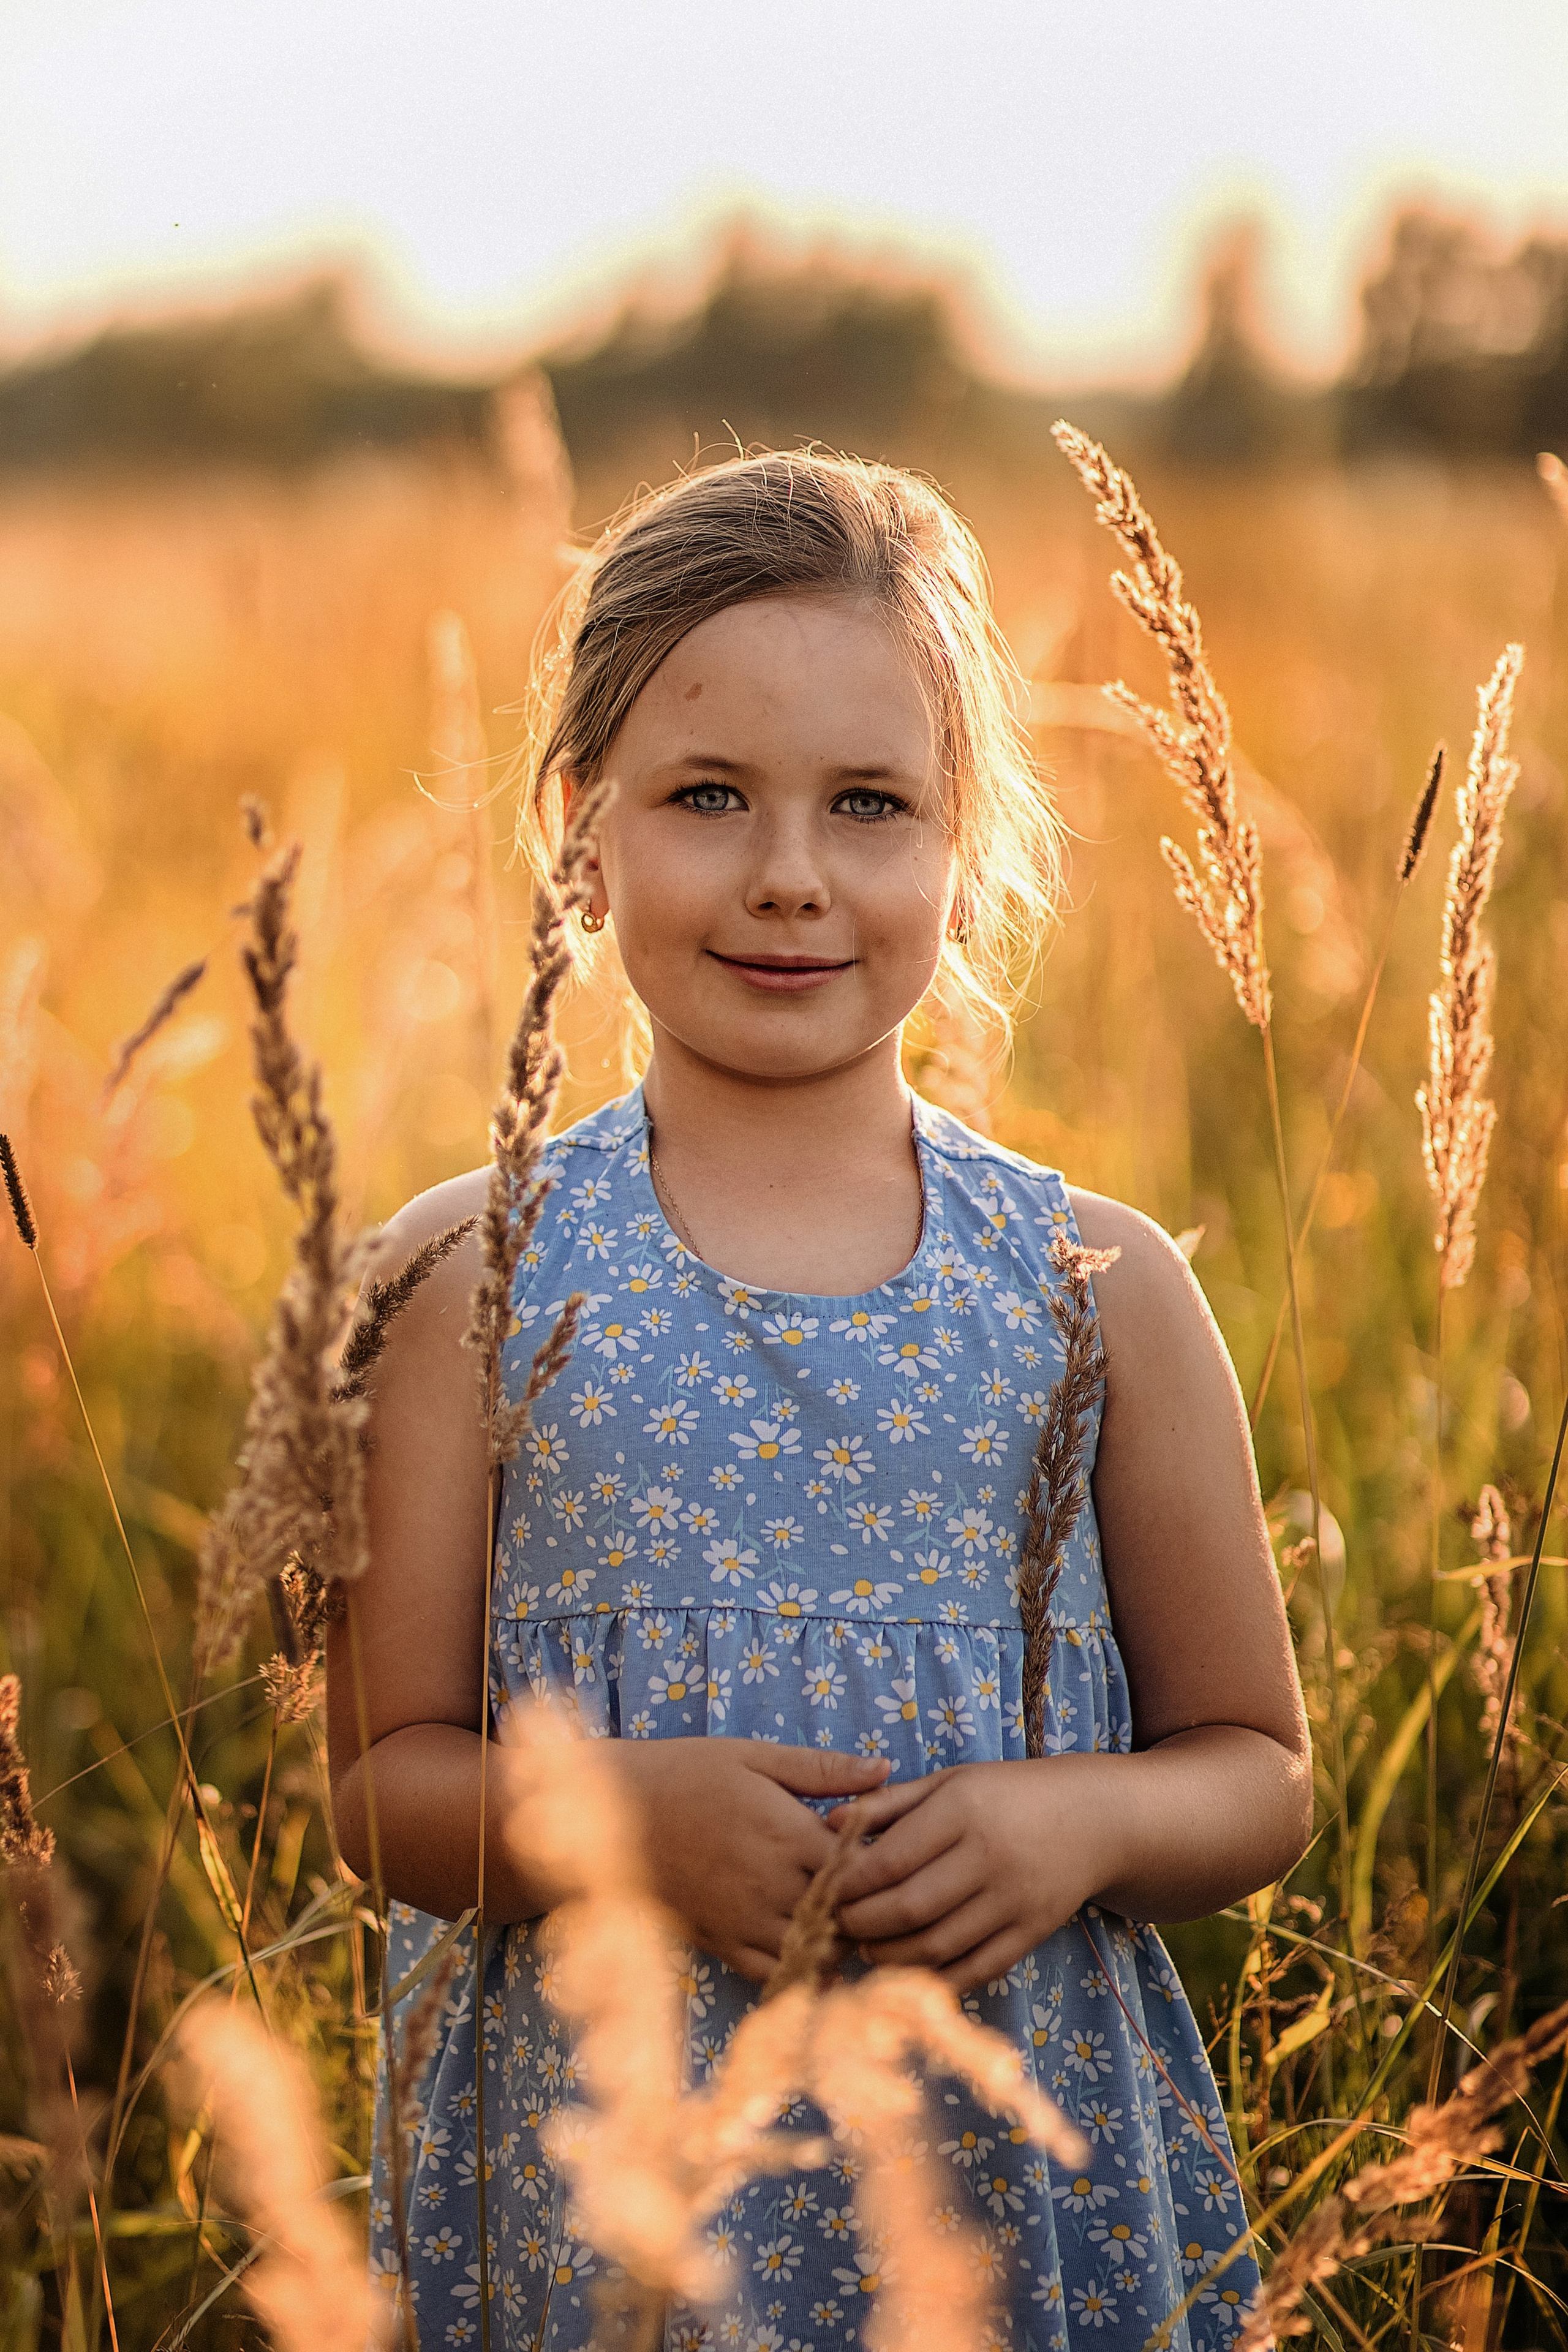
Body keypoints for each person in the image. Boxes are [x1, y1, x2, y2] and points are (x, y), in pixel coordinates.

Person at [328, 450, 1312, 2351]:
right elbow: (380, 1794)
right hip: (604, 2189)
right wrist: (610, 1824)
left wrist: (1079, 1828)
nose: (791, 871)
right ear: (581, 832)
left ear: (970, 845)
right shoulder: (471, 1277)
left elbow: (1257, 1768)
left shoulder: (1101, 1293)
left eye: (871, 804)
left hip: (1019, 2181)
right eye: (710, 797)